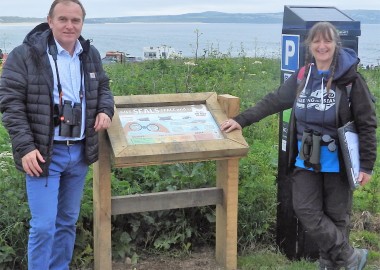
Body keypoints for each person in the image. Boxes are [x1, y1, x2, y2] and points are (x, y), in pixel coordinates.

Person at [221, 22, 376, 270]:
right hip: (306, 157)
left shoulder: (350, 80)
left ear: (336, 44)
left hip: (340, 161)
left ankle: (330, 263)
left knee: (337, 215)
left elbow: (367, 124)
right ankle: (349, 256)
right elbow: (273, 101)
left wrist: (367, 164)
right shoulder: (303, 76)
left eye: (327, 41)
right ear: (310, 45)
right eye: (317, 41)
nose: (322, 46)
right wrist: (240, 120)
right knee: (305, 209)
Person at [0, 0, 114, 269]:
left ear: (82, 23)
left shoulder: (90, 54)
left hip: (79, 152)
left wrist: (105, 109)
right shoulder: (25, 54)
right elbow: (10, 102)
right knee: (43, 226)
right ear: (49, 21)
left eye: (75, 20)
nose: (69, 26)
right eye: (63, 19)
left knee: (66, 222)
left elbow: (104, 86)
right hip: (43, 153)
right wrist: (25, 146)